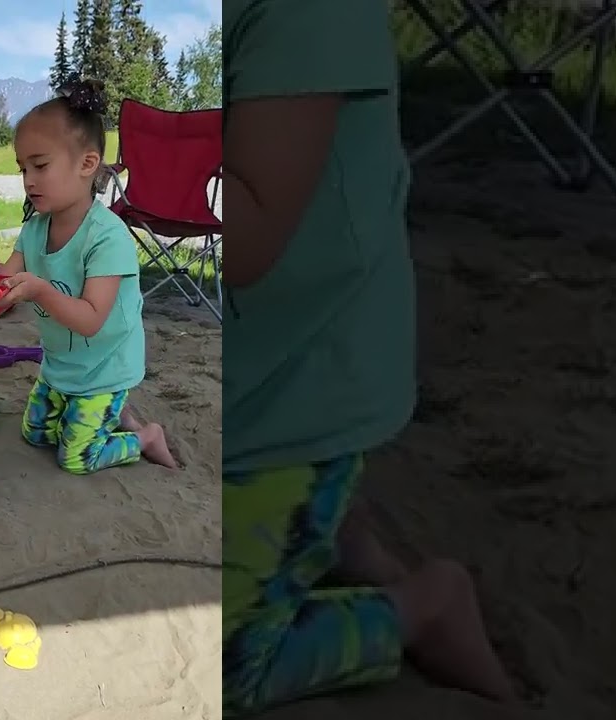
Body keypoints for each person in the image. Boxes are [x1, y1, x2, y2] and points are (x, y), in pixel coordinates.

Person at [221, 0, 518, 714]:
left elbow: (252, 232)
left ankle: (422, 605)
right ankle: (342, 543)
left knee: (218, 666)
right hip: (242, 367)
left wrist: (104, 173)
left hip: (298, 381)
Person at [0, 79, 178, 475]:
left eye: (40, 165)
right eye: (23, 167)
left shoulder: (107, 237)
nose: (28, 179)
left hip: (103, 367)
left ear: (87, 164)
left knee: (75, 458)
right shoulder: (33, 231)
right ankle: (113, 415)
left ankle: (143, 436)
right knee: (36, 434)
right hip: (60, 365)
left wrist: (40, 291)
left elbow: (92, 319)